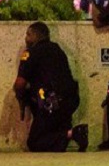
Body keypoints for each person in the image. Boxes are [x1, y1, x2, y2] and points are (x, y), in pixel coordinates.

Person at [14, 21, 88, 152]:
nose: (26, 38)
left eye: (28, 34)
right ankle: (67, 132)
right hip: (70, 102)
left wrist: (20, 99)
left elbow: (20, 84)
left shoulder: (30, 53)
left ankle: (72, 133)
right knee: (57, 144)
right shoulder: (57, 49)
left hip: (51, 104)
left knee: (34, 143)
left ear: (36, 36)